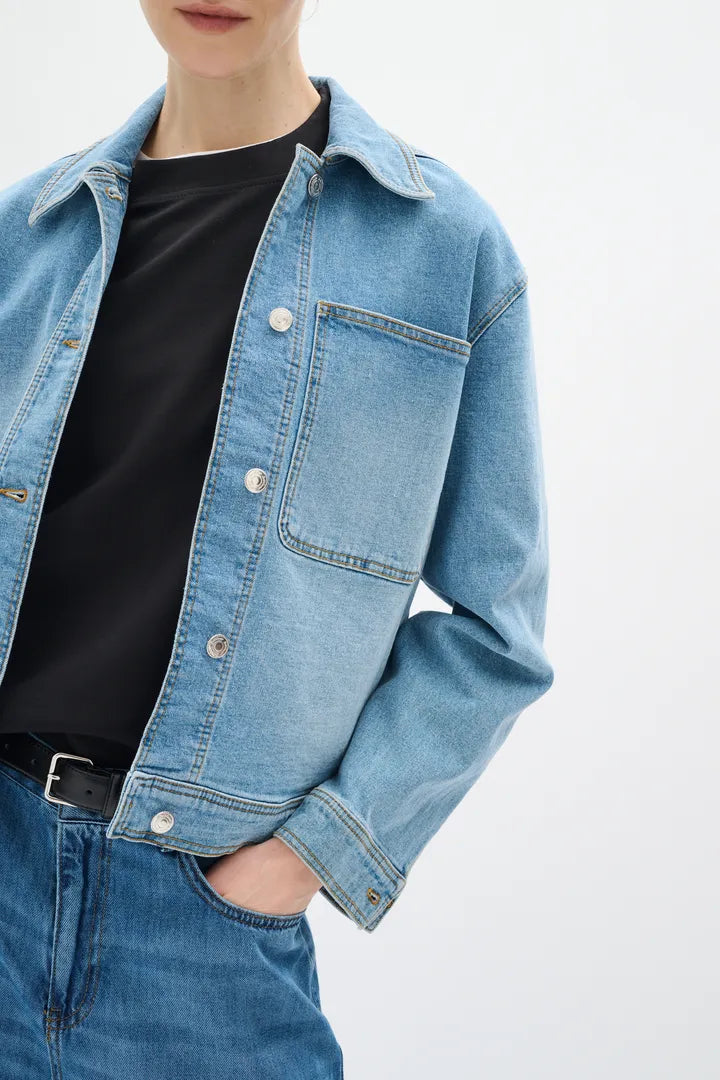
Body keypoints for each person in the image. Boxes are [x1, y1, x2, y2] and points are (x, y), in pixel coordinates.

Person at [0, 0, 555, 1076]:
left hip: (205, 930)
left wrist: (308, 855)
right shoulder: (30, 232)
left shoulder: (442, 248)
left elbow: (498, 629)